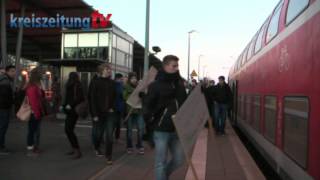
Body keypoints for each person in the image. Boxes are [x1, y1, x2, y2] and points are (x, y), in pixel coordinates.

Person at [143, 55, 187, 180]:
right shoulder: (155, 85)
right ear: (165, 66)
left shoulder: (179, 83)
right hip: (161, 129)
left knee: (179, 159)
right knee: (160, 162)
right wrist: (152, 122)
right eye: (174, 66)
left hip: (177, 129)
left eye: (177, 65)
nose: (176, 68)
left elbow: (184, 102)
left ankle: (163, 176)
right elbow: (147, 107)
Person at [88, 63, 116, 165]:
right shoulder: (95, 82)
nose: (109, 71)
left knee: (109, 135)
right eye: (107, 69)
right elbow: (92, 99)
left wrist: (112, 107)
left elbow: (114, 97)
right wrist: (94, 114)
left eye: (110, 69)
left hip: (109, 113)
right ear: (101, 71)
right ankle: (96, 147)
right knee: (98, 134)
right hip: (98, 113)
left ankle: (109, 156)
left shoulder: (112, 83)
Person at [63, 72, 84, 159]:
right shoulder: (70, 84)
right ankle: (74, 148)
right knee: (68, 130)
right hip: (69, 110)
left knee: (68, 129)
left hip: (73, 110)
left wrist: (70, 104)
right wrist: (64, 105)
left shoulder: (77, 85)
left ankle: (77, 150)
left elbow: (80, 98)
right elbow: (67, 97)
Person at [25, 68, 46, 156]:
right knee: (33, 131)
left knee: (35, 131)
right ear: (37, 75)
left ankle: (34, 147)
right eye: (41, 73)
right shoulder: (33, 87)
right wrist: (37, 113)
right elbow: (33, 102)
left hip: (36, 112)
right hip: (34, 112)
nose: (43, 75)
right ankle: (31, 149)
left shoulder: (35, 85)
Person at [123, 72, 145, 155]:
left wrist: (142, 89)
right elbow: (124, 97)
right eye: (132, 78)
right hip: (130, 111)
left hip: (139, 111)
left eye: (135, 78)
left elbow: (145, 97)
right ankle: (129, 146)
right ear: (129, 79)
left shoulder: (140, 87)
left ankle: (140, 145)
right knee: (129, 130)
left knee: (141, 129)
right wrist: (135, 92)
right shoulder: (126, 87)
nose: (134, 80)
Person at [0, 65, 16, 155]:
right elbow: (4, 97)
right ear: (8, 71)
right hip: (3, 108)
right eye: (12, 71)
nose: (14, 73)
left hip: (3, 108)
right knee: (2, 127)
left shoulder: (4, 80)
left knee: (2, 127)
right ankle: (1, 147)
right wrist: (12, 101)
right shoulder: (5, 82)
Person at [114, 73, 124, 142]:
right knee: (113, 124)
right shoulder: (113, 85)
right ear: (117, 78)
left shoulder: (121, 85)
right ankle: (114, 138)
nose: (122, 80)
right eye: (121, 79)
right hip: (114, 107)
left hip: (119, 108)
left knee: (118, 124)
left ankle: (117, 138)